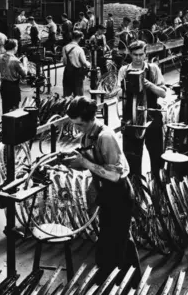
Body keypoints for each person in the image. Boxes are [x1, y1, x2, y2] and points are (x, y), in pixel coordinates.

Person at [62, 96, 140, 287]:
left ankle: (116, 282)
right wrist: (69, 162)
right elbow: (88, 164)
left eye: (79, 124)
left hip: (119, 194)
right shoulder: (87, 135)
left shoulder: (106, 136)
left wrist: (85, 162)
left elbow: (114, 175)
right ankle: (130, 278)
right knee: (116, 237)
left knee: (115, 241)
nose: (77, 129)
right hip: (105, 194)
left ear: (90, 118)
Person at [117, 40, 166, 179]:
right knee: (132, 157)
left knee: (156, 154)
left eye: (141, 55)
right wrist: (128, 88)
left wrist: (149, 85)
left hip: (152, 115)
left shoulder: (153, 69)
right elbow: (117, 94)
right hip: (130, 119)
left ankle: (157, 182)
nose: (138, 58)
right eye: (134, 55)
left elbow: (163, 93)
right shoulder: (124, 70)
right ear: (130, 54)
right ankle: (136, 185)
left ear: (146, 54)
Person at [0, 39, 28, 113]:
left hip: (4, 86)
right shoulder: (15, 60)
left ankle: (5, 123)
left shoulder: (1, 57)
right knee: (14, 109)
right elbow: (24, 74)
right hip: (13, 87)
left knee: (5, 108)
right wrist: (25, 63)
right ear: (14, 47)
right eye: (17, 45)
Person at [62, 31, 90, 97]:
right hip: (77, 74)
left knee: (67, 95)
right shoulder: (79, 49)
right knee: (78, 95)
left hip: (67, 72)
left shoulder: (64, 48)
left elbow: (64, 62)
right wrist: (89, 64)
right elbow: (84, 62)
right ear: (79, 38)